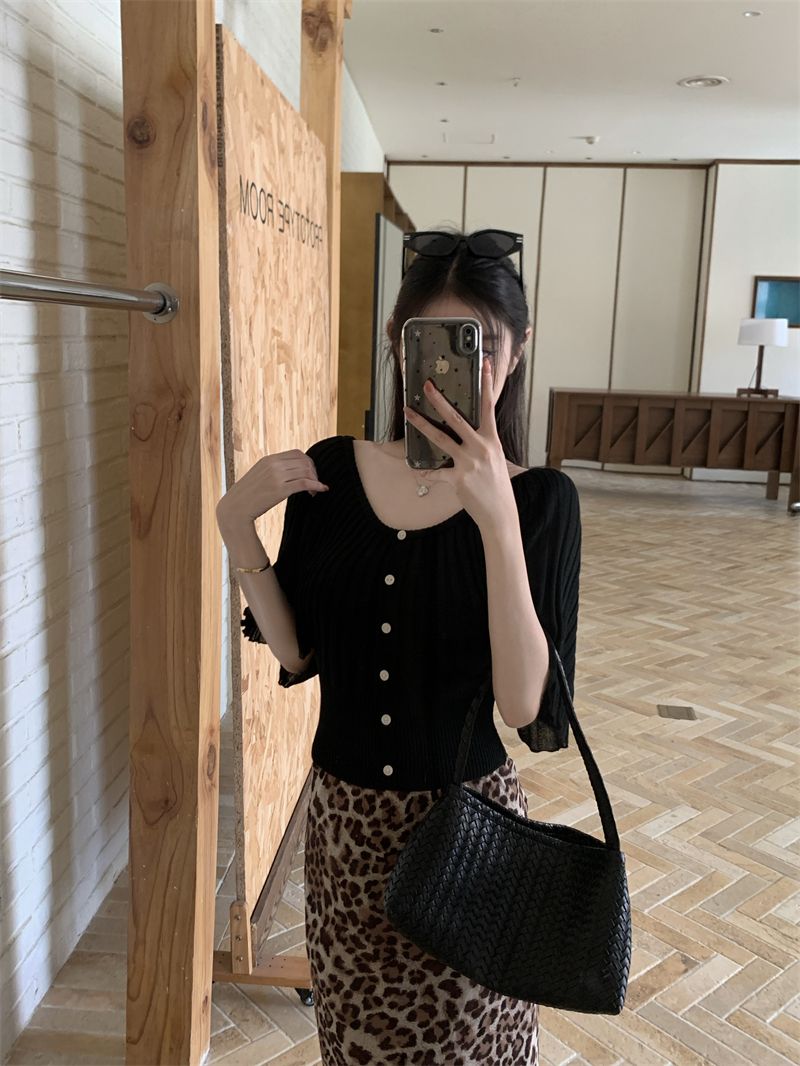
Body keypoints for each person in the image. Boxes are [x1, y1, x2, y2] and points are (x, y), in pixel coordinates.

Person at [216, 226, 582, 1066]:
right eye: (434, 344)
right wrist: (236, 526)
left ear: (516, 352)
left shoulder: (541, 503)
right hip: (344, 836)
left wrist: (497, 521)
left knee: (469, 1046)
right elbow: (298, 655)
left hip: (467, 836)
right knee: (355, 1045)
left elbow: (524, 704)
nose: (456, 374)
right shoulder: (332, 474)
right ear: (397, 343)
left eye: (480, 347)